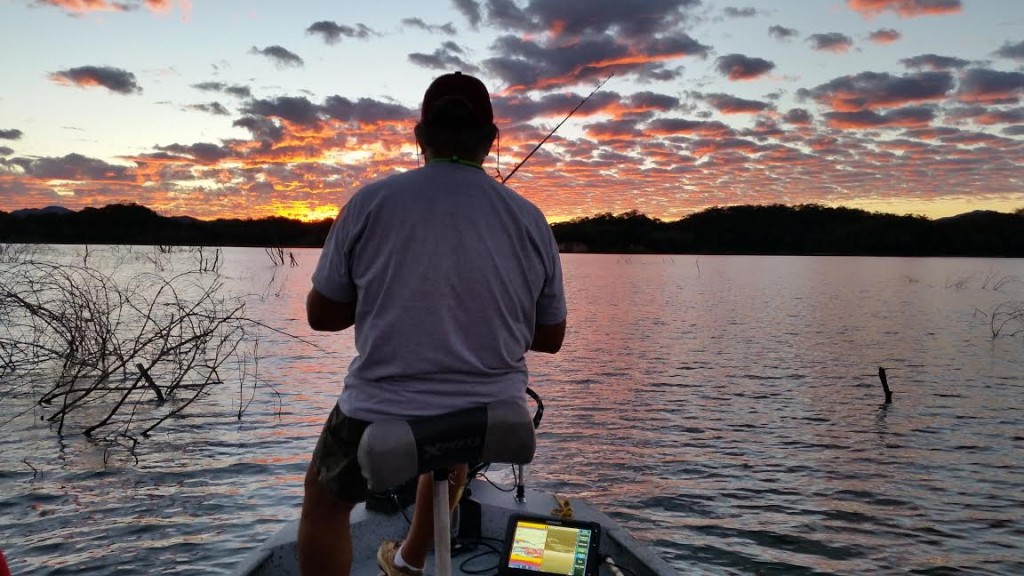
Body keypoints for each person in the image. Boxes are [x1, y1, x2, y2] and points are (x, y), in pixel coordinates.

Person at [298, 72, 567, 576]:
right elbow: (550, 338)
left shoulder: (370, 203)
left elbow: (322, 316)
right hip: (491, 414)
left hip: (379, 410)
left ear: (420, 136)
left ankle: (408, 559)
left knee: (324, 496)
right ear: (491, 140)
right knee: (450, 450)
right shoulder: (531, 219)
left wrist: (385, 295)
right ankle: (408, 559)